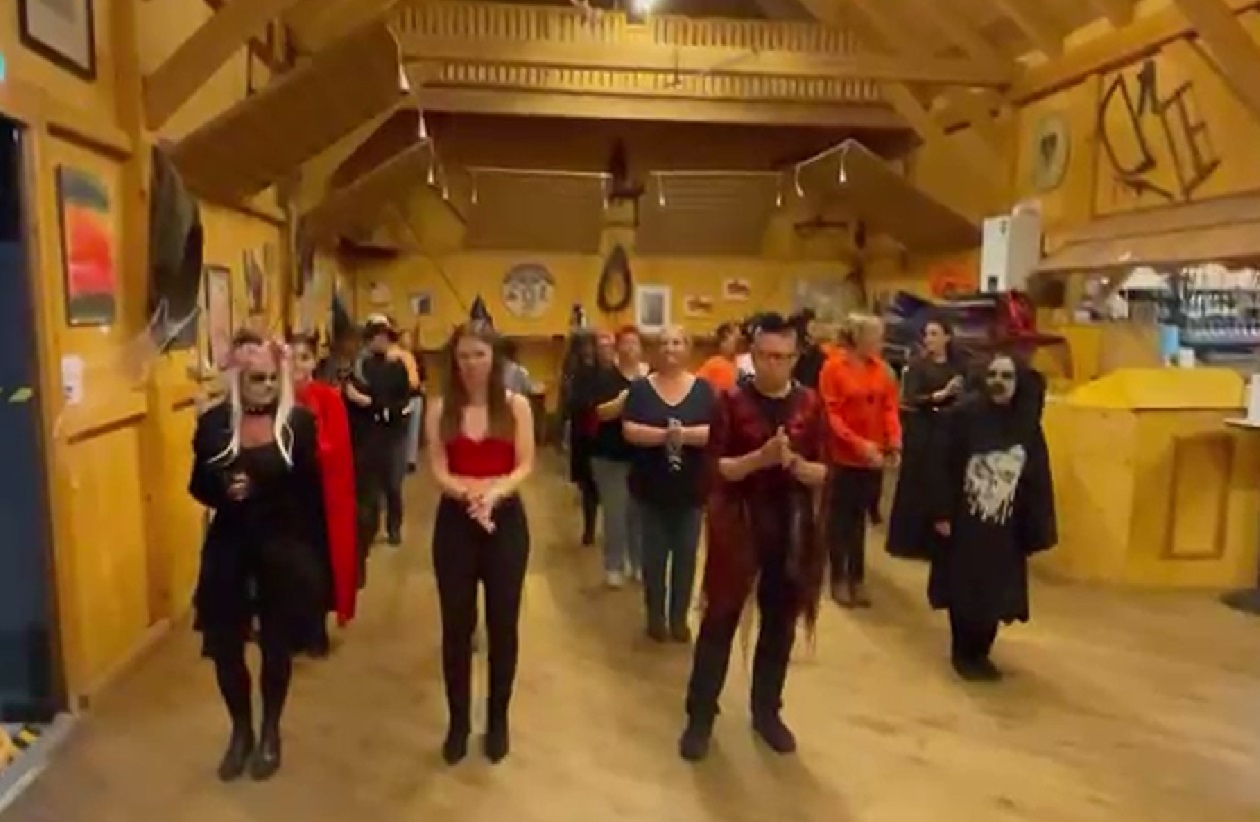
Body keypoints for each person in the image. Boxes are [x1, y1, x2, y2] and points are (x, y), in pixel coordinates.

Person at [678, 313, 829, 762]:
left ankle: (767, 711)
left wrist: (805, 469)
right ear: (753, 355)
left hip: (790, 524)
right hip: (739, 522)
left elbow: (827, 468)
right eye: (764, 356)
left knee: (779, 622)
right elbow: (715, 469)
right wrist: (759, 459)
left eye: (781, 357)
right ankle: (700, 717)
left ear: (795, 358)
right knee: (720, 619)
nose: (772, 365)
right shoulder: (729, 401)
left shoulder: (811, 404)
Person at [188, 331, 326, 781]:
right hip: (230, 543)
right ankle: (241, 731)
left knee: (276, 646)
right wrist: (223, 488)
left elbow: (308, 493)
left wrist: (261, 486)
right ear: (239, 379)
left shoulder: (298, 424)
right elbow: (196, 485)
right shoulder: (214, 424)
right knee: (226, 646)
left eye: (270, 378)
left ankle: (270, 731)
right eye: (255, 379)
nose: (264, 387)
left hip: (281, 545)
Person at [426, 322, 535, 765]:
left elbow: (525, 464)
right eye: (464, 356)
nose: (471, 364)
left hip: (504, 521)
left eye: (479, 355)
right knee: (456, 627)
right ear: (454, 362)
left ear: (495, 359)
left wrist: (493, 493)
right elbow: (438, 467)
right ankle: (458, 723)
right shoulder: (440, 409)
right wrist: (466, 493)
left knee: (503, 626)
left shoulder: (516, 406)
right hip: (456, 522)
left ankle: (498, 720)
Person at [928, 353, 1056, 682]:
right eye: (994, 375)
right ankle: (962, 653)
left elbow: (1037, 476)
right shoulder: (963, 417)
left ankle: (981, 653)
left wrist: (1035, 524)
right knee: (963, 588)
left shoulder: (1026, 425)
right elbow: (942, 465)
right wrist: (941, 511)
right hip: (965, 523)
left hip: (1005, 528)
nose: (999, 382)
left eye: (1007, 376)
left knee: (996, 593)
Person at [622, 326, 716, 642]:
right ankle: (655, 618)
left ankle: (679, 619)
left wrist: (682, 435)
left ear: (688, 348)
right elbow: (630, 431)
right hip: (650, 490)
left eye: (677, 342)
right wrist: (667, 436)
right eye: (663, 343)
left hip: (691, 492)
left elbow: (714, 433)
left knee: (686, 558)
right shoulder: (640, 389)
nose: (670, 348)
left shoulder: (703, 390)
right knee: (653, 559)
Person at [818, 313, 901, 608]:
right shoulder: (833, 368)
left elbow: (890, 407)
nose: (881, 342)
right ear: (858, 337)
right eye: (876, 336)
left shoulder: (882, 370)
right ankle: (839, 578)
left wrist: (894, 442)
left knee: (859, 522)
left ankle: (857, 577)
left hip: (872, 458)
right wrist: (858, 444)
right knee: (839, 520)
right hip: (842, 457)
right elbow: (830, 414)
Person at [290, 332, 358, 654]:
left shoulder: (327, 398)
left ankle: (315, 630)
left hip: (320, 492)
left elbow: (338, 446)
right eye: (291, 358)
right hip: (285, 492)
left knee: (317, 562)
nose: (297, 365)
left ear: (314, 361)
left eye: (303, 358)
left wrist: (308, 448)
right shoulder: (275, 398)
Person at [886, 316, 966, 561]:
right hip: (922, 430)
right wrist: (938, 396)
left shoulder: (957, 367)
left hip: (948, 430)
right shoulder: (917, 366)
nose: (929, 339)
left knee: (941, 484)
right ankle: (910, 542)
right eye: (927, 334)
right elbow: (909, 399)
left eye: (934, 334)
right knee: (917, 482)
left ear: (947, 337)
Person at [577, 327, 646, 588]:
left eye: (635, 343)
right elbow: (600, 413)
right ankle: (614, 565)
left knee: (639, 514)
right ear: (617, 348)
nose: (630, 348)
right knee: (615, 513)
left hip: (641, 456)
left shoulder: (648, 378)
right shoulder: (605, 379)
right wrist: (624, 400)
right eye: (625, 343)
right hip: (609, 455)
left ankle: (638, 562)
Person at [344, 318, 412, 567]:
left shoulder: (397, 367)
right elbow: (352, 401)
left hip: (392, 434)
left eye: (385, 337)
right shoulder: (359, 369)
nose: (381, 341)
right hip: (365, 436)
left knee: (392, 484)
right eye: (376, 337)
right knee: (368, 489)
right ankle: (369, 530)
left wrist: (374, 405)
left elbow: (403, 401)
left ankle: (394, 527)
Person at [563, 332, 601, 545]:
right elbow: (569, 404)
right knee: (588, 485)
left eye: (590, 345)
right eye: (584, 346)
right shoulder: (574, 372)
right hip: (583, 433)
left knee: (593, 485)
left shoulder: (601, 370)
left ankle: (592, 529)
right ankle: (589, 529)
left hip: (599, 433)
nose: (588, 350)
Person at [695, 322, 741, 393]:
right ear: (723, 341)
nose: (738, 343)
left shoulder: (736, 361)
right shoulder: (715, 363)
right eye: (736, 339)